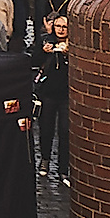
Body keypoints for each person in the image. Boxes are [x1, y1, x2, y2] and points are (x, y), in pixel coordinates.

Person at [38, 13, 72, 181]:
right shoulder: (46, 41)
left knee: (65, 131)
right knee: (46, 127)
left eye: (64, 27)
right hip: (49, 92)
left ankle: (63, 168)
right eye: (58, 26)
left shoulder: (73, 45)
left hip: (66, 94)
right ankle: (44, 160)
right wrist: (44, 52)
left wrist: (67, 55)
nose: (60, 30)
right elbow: (34, 61)